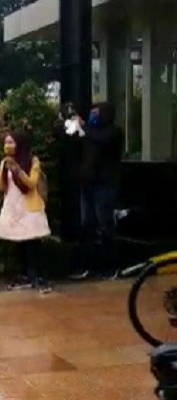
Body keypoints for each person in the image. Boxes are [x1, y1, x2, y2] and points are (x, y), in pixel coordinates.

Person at [0, 131, 52, 293]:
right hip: (12, 208)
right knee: (18, 245)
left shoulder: (32, 161)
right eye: (6, 142)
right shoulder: (5, 162)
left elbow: (31, 183)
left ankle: (38, 278)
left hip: (29, 208)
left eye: (11, 142)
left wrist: (18, 171)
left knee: (33, 244)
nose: (7, 146)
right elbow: (1, 186)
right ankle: (24, 276)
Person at [70, 102, 125, 280]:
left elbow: (101, 141)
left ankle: (111, 267)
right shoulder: (89, 135)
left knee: (105, 224)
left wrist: (84, 126)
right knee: (87, 225)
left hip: (105, 185)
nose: (93, 116)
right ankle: (88, 266)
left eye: (96, 113)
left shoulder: (114, 132)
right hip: (87, 184)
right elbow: (78, 145)